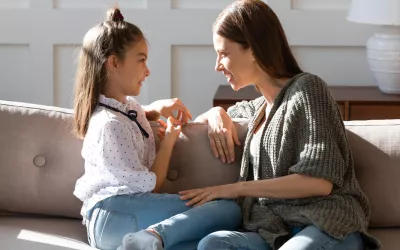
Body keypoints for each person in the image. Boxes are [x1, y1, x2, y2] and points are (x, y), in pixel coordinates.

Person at [179, 0, 381, 249]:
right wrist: (216, 113)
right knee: (214, 243)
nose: (217, 65)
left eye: (223, 53)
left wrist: (235, 189)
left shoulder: (308, 89)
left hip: (326, 224)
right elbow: (204, 119)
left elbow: (319, 182)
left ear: (253, 49)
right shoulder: (258, 108)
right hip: (274, 230)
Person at [72, 7, 241, 250]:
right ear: (113, 63)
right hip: (114, 214)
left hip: (117, 218)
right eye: (141, 60)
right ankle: (154, 236)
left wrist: (155, 108)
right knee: (228, 210)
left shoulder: (123, 109)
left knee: (207, 243)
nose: (147, 70)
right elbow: (152, 185)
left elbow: (133, 116)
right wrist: (170, 139)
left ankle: (149, 241)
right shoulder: (109, 124)